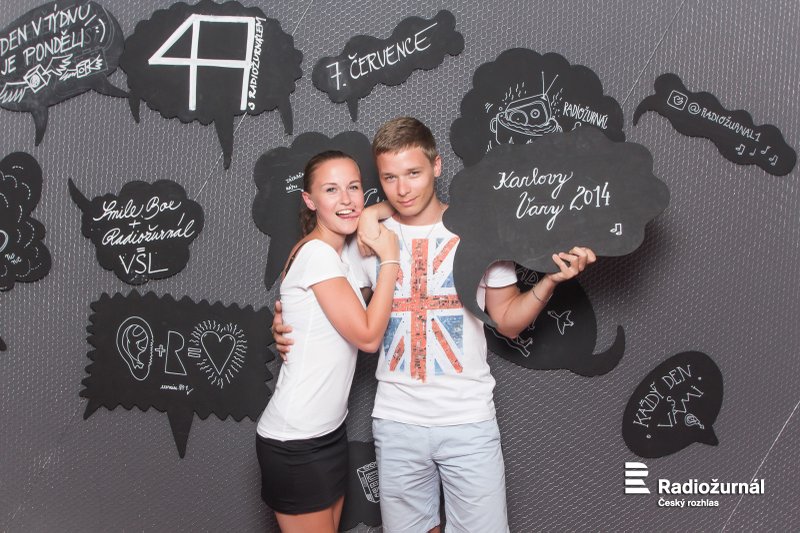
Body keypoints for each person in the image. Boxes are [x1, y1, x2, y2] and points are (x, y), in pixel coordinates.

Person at [272, 119, 596, 533]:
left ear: (437, 166)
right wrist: (284, 324)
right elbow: (323, 302)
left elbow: (508, 322)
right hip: (396, 422)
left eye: (413, 173)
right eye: (389, 178)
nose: (402, 189)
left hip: (468, 419)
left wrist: (549, 282)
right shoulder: (366, 238)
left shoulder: (480, 233)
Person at [256, 150, 400, 533]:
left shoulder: (340, 256)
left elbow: (404, 203)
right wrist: (390, 260)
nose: (347, 199)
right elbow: (368, 336)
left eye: (354, 187)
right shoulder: (317, 255)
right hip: (296, 440)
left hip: (328, 433)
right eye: (331, 190)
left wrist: (371, 213)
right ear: (309, 200)